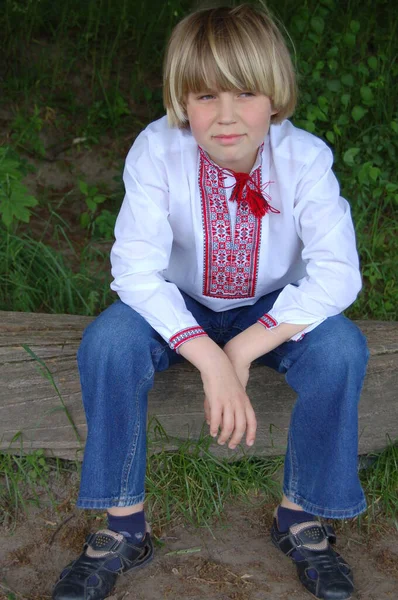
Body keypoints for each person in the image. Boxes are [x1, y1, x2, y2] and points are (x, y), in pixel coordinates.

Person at [52, 4, 369, 600]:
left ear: (274, 98)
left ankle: (300, 518)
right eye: (204, 97)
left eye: (246, 93)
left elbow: (339, 274)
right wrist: (207, 357)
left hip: (272, 310)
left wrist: (244, 348)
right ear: (181, 102)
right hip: (180, 304)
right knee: (110, 341)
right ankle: (124, 526)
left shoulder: (305, 160)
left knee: (342, 350)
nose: (225, 117)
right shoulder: (156, 151)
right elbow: (135, 270)